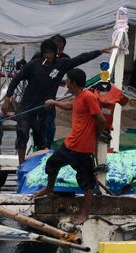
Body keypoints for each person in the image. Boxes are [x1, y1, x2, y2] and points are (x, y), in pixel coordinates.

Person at [1, 39, 116, 164]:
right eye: (45, 53)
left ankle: (40, 165)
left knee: (42, 140)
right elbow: (16, 79)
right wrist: (8, 98)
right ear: (42, 53)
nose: (48, 56)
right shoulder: (32, 65)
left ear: (56, 54)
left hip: (45, 108)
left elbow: (81, 58)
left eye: (51, 53)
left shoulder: (61, 64)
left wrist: (99, 52)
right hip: (26, 107)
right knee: (22, 132)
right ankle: (21, 164)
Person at [34, 68, 105, 225]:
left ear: (72, 83)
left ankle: (84, 214)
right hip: (70, 144)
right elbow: (70, 106)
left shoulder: (88, 97)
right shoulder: (79, 96)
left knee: (86, 182)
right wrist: (54, 102)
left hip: (82, 148)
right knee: (52, 163)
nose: (65, 82)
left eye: (67, 80)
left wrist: (95, 136)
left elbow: (100, 119)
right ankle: (49, 190)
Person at [31, 34, 70, 145]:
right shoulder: (39, 57)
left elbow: (71, 74)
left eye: (61, 49)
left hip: (51, 97)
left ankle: (48, 146)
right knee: (36, 124)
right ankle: (37, 145)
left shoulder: (65, 59)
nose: (58, 52)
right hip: (35, 96)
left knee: (50, 124)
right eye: (55, 48)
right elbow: (27, 73)